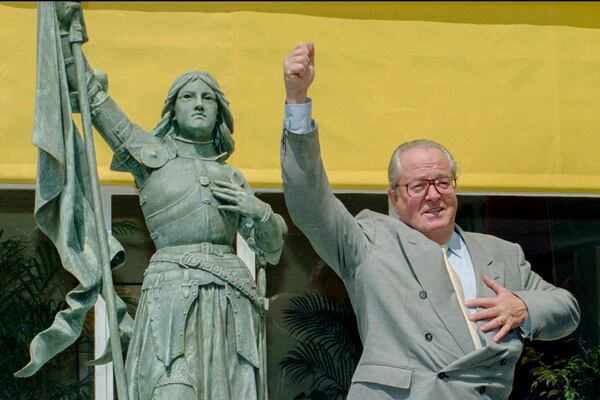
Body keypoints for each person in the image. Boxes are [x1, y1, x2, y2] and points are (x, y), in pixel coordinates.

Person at [280, 42, 580, 399]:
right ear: (394, 196)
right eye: (418, 186)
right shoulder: (367, 243)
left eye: (442, 182)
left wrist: (523, 307)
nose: (433, 195)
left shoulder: (500, 254)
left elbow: (567, 308)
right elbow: (308, 202)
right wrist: (297, 101)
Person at [57, 5, 287, 400]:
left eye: (208, 99)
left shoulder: (232, 177)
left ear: (220, 114)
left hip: (231, 305)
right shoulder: (151, 157)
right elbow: (95, 101)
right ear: (173, 108)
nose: (198, 103)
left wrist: (259, 211)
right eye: (188, 96)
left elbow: (273, 248)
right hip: (171, 303)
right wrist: (65, 34)